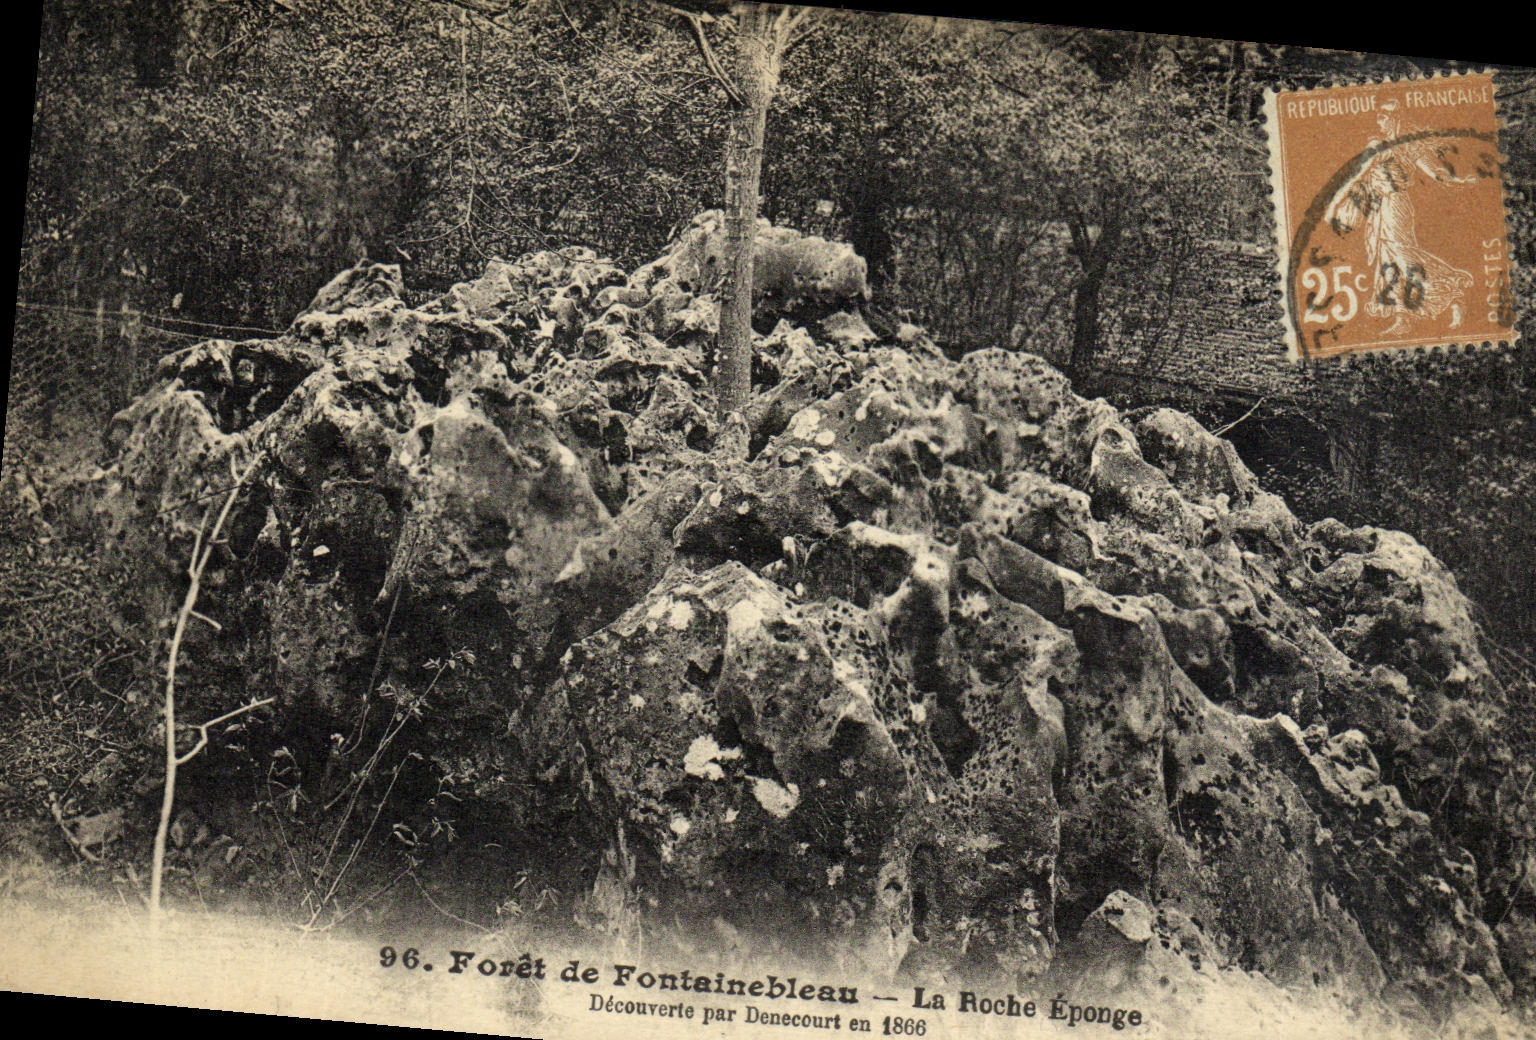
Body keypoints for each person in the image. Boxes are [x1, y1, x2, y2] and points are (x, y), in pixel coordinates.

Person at [1324, 99, 1475, 335]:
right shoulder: (1382, 144)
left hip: (1396, 205)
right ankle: (1403, 318)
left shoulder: (1405, 146)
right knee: (1388, 262)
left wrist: (1455, 179)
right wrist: (1335, 204)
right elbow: (1357, 177)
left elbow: (1435, 172)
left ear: (1395, 119)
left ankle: (1453, 294)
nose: (1379, 121)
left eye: (1384, 117)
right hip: (1381, 207)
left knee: (1403, 257)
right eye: (1379, 116)